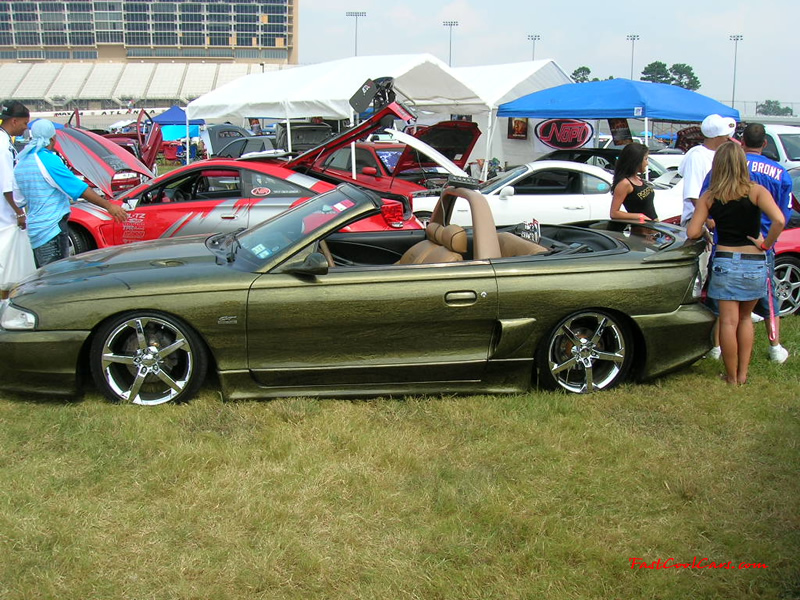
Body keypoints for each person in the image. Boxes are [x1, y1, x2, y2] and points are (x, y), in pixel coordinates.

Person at [687, 142, 785, 385]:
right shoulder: (756, 191)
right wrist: (766, 244)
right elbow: (780, 220)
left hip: (726, 259)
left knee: (728, 322)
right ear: (742, 164)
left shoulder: (710, 197)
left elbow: (692, 231)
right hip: (754, 260)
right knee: (745, 318)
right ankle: (743, 374)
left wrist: (707, 230)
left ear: (718, 165)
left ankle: (731, 377)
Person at [13, 119, 127, 267]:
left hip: (35, 229)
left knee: (44, 275)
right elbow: (79, 189)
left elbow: (18, 199)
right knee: (56, 277)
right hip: (51, 228)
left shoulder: (21, 162)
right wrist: (108, 206)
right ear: (53, 139)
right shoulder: (49, 160)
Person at [741, 123, 793, 363]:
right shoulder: (780, 173)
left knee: (722, 300)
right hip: (762, 243)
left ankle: (716, 346)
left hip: (727, 243)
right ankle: (774, 347)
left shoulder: (728, 168)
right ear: (764, 143)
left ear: (742, 141)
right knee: (768, 297)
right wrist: (768, 241)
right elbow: (783, 214)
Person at [679, 114, 736, 227]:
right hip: (699, 221)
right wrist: (707, 219)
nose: (727, 138)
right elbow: (693, 194)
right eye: (725, 135)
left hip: (715, 218)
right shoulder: (697, 156)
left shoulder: (719, 154)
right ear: (716, 137)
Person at [0, 101, 30, 300]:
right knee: (6, 269)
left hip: (6, 213)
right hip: (6, 216)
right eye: (25, 123)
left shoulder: (5, 141)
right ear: (14, 120)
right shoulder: (2, 145)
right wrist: (19, 212)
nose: (25, 128)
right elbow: (6, 185)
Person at [610, 142, 657, 221]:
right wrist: (640, 216)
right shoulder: (625, 184)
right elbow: (614, 213)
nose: (647, 163)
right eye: (645, 159)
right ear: (636, 161)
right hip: (641, 231)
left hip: (653, 229)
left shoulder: (638, 178)